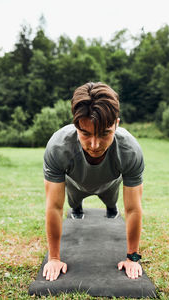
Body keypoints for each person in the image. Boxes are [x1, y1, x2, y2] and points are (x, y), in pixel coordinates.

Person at [42, 82, 144, 282]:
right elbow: (54, 207)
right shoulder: (58, 147)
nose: (95, 145)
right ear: (75, 125)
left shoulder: (130, 150)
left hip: (110, 182)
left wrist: (133, 257)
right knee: (74, 204)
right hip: (76, 182)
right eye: (85, 134)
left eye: (104, 133)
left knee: (111, 204)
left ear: (116, 123)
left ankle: (110, 208)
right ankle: (78, 208)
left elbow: (133, 209)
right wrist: (53, 258)